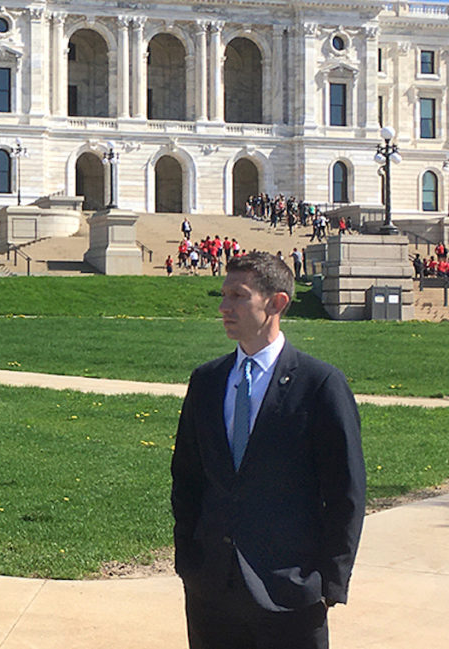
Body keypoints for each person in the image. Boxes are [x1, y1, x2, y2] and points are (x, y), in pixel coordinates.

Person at [171, 252, 366, 649]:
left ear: (276, 303)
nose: (224, 307)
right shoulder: (207, 381)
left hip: (290, 594)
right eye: (223, 296)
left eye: (238, 296)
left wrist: (331, 582)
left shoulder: (320, 384)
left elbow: (346, 492)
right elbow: (187, 477)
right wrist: (189, 561)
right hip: (211, 591)